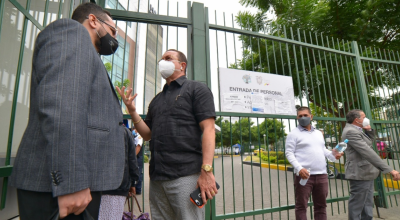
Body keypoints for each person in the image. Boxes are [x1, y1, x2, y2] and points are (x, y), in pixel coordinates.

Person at [9, 3, 125, 219]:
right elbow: (62, 105)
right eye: (112, 30)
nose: (114, 37)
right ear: (93, 21)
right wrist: (72, 181)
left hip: (71, 187)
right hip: (62, 188)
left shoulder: (87, 52)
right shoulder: (73, 33)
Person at [116, 49, 218, 220]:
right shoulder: (156, 100)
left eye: (168, 58)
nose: (162, 62)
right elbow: (147, 134)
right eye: (161, 59)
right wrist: (132, 111)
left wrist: (206, 171)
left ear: (182, 65)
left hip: (185, 175)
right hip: (157, 179)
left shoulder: (196, 89)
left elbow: (209, 129)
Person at [285, 106, 343, 220]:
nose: (303, 118)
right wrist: (299, 168)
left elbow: (323, 150)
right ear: (297, 117)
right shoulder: (293, 134)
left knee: (321, 206)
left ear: (311, 117)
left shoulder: (318, 133)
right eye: (300, 116)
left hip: (322, 175)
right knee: (301, 206)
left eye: (305, 115)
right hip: (304, 176)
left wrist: (333, 155)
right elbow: (289, 153)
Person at [341, 109, 400, 220]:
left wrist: (368, 131)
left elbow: (368, 144)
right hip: (359, 173)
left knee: (367, 204)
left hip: (366, 172)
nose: (366, 118)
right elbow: (367, 152)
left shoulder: (357, 130)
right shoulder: (350, 131)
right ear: (356, 120)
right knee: (357, 204)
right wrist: (389, 169)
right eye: (363, 116)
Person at [98, 126, 139, 220]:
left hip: (94, 187)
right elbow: (132, 160)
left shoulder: (93, 126)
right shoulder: (124, 131)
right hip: (119, 185)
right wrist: (133, 183)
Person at [133, 127, 144, 195]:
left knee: (138, 173)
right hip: (136, 157)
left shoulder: (139, 136)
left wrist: (133, 157)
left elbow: (138, 147)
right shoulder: (134, 136)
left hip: (138, 157)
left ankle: (138, 190)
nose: (133, 131)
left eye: (134, 129)